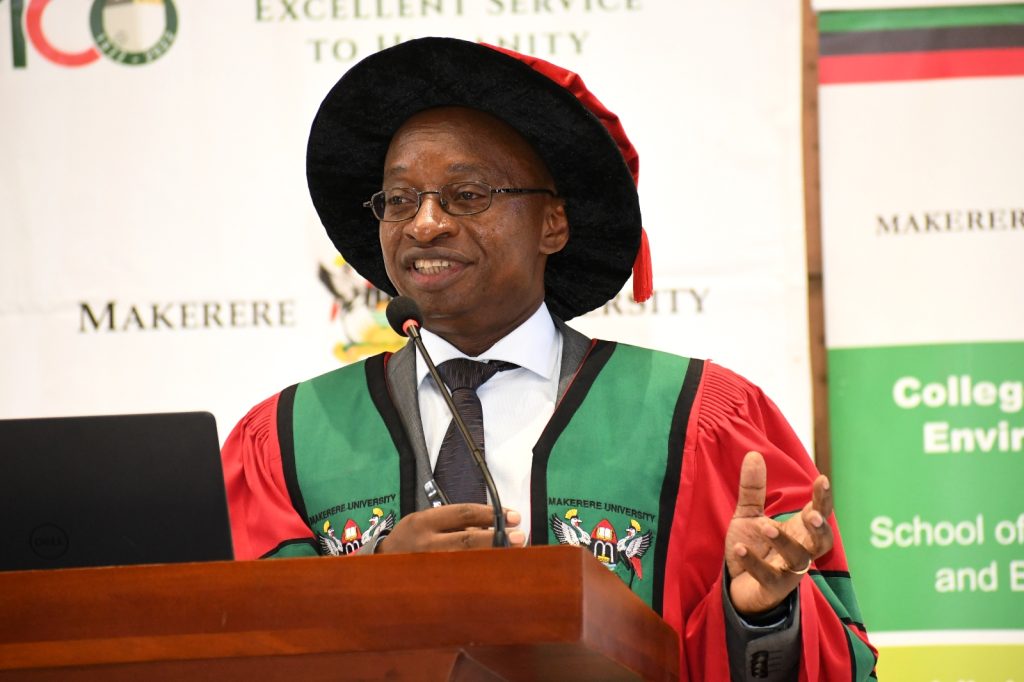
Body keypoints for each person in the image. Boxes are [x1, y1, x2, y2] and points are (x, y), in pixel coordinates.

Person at [222, 37, 877, 681]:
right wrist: (370, 582)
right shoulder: (287, 441)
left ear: (552, 225)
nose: (424, 224)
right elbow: (220, 644)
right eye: (399, 199)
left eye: (467, 194)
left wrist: (762, 615)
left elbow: (836, 663)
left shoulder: (697, 420)